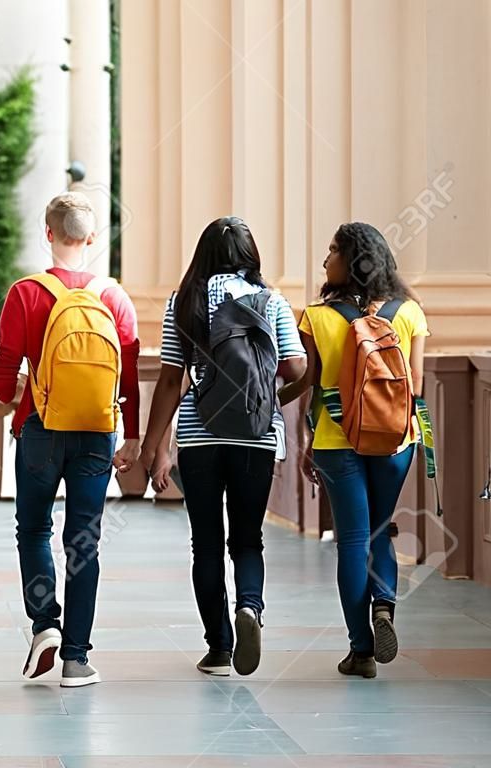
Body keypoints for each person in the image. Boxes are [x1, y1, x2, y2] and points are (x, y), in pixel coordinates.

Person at [141, 216, 306, 677]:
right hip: (255, 434)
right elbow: (295, 368)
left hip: (199, 436)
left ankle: (218, 648)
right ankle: (249, 607)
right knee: (248, 539)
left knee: (207, 544)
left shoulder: (184, 301)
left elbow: (172, 379)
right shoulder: (271, 301)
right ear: (251, 255)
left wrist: (154, 448)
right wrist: (270, 399)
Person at [0, 192, 142, 687]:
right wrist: (133, 436)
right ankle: (77, 658)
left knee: (33, 531)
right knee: (84, 541)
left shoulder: (25, 293)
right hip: (97, 433)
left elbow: (2, 374)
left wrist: (18, 393)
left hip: (40, 427)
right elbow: (130, 375)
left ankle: (44, 625)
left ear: (49, 233)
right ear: (93, 238)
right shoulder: (114, 296)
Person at [279, 222, 429, 679]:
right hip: (395, 440)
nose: (326, 260)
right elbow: (416, 387)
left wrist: (304, 438)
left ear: (351, 260)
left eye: (332, 251)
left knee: (352, 540)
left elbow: (310, 385)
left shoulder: (316, 317)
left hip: (336, 440)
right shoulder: (409, 313)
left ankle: (360, 649)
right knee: (381, 530)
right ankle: (384, 605)